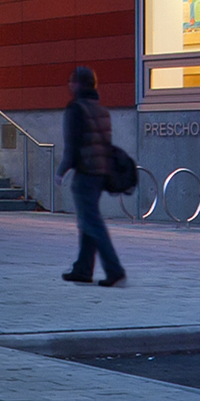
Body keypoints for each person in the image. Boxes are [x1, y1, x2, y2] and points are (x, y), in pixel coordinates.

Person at [62, 65, 124, 287]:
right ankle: (83, 268)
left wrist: (61, 171)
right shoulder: (101, 110)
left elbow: (72, 146)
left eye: (71, 81)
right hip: (100, 173)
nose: (69, 85)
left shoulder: (75, 109)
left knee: (91, 222)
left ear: (78, 84)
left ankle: (114, 269)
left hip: (85, 172)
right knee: (88, 220)